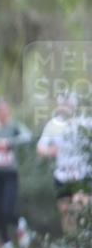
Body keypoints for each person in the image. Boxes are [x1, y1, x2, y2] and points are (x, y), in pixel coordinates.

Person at [37, 93, 92, 233]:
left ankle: (83, 239)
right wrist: (51, 150)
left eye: (68, 105)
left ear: (74, 106)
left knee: (79, 206)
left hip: (81, 175)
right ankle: (71, 246)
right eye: (63, 105)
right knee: (66, 213)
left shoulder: (85, 123)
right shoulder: (53, 125)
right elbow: (40, 147)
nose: (65, 108)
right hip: (62, 175)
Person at [0, 100, 32, 248]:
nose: (2, 113)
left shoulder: (14, 126)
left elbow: (27, 136)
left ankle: (20, 224)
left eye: (5, 110)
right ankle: (5, 242)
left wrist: (9, 142)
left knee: (7, 208)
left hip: (10, 174)